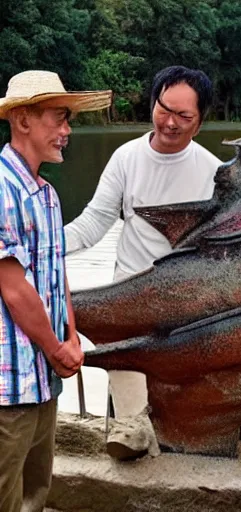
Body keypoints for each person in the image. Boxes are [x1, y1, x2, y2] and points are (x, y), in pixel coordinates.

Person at [64, 65, 222, 459]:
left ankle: (217, 419)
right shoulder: (126, 158)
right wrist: (43, 244)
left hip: (186, 294)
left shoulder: (213, 172)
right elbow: (93, 223)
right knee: (117, 330)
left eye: (183, 116)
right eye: (164, 109)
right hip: (132, 289)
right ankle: (132, 425)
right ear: (152, 103)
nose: (170, 122)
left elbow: (220, 249)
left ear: (200, 122)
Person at [0, 70, 111, 511]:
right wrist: (55, 348)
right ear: (23, 119)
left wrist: (71, 338)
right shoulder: (2, 189)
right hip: (8, 386)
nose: (67, 131)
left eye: (68, 120)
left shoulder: (46, 194)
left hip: (43, 380)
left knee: (36, 494)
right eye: (58, 118)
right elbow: (13, 288)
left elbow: (55, 270)